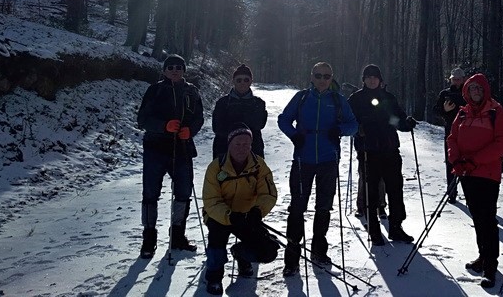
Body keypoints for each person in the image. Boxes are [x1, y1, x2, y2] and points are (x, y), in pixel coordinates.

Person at [277, 61, 358, 276]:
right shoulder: (302, 97)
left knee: (324, 207)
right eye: (318, 75)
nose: (322, 79)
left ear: (331, 78)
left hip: (328, 160)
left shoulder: (338, 100)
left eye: (326, 76)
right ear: (312, 77)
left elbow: (353, 125)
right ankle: (292, 257)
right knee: (297, 207)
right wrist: (294, 135)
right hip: (302, 160)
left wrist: (339, 130)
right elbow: (283, 120)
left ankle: (319, 251)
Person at [137, 54, 205, 258]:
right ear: (164, 70)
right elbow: (142, 119)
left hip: (182, 149)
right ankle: (149, 238)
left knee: (183, 193)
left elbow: (199, 118)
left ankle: (177, 235)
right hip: (155, 149)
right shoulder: (154, 90)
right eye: (170, 67)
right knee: (150, 194)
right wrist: (163, 126)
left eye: (178, 67)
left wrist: (190, 131)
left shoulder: (192, 91)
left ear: (184, 70)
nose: (174, 70)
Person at [446, 72, 503, 289]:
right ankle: (482, 257)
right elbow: (452, 138)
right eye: (472, 88)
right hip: (467, 173)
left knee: (487, 219)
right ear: (466, 91)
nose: (476, 92)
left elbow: (501, 143)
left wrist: (474, 161)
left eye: (479, 88)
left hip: (488, 174)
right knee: (477, 216)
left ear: (485, 91)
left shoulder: (495, 111)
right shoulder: (462, 113)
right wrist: (456, 160)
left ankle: (490, 266)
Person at [202, 124, 279, 295]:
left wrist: (258, 211)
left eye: (246, 144)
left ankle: (241, 254)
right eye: (237, 144)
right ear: (229, 144)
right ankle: (214, 277)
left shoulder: (259, 165)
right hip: (219, 216)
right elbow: (211, 201)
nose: (242, 148)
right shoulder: (216, 167)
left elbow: (268, 193)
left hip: (247, 216)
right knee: (216, 243)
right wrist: (229, 216)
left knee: (267, 250)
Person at [348, 64, 416, 246]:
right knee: (370, 192)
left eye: (375, 77)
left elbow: (397, 119)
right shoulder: (356, 99)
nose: (372, 80)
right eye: (368, 77)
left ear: (380, 79)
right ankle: (374, 229)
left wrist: (406, 123)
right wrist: (358, 129)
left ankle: (396, 226)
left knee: (395, 189)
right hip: (368, 151)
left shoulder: (388, 98)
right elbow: (348, 121)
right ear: (364, 80)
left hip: (390, 149)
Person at [211, 63, 267, 159]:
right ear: (233, 81)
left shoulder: (259, 103)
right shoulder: (222, 103)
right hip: (224, 149)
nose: (242, 83)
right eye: (239, 80)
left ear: (251, 81)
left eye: (246, 80)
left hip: (253, 150)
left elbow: (259, 125)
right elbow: (217, 128)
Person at [432, 67, 466, 203]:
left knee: (467, 163)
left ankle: (469, 193)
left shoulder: (468, 93)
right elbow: (435, 111)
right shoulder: (445, 93)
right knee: (451, 162)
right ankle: (451, 192)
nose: (456, 82)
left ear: (463, 79)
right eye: (454, 79)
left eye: (459, 79)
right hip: (450, 132)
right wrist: (444, 110)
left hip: (467, 133)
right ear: (450, 79)